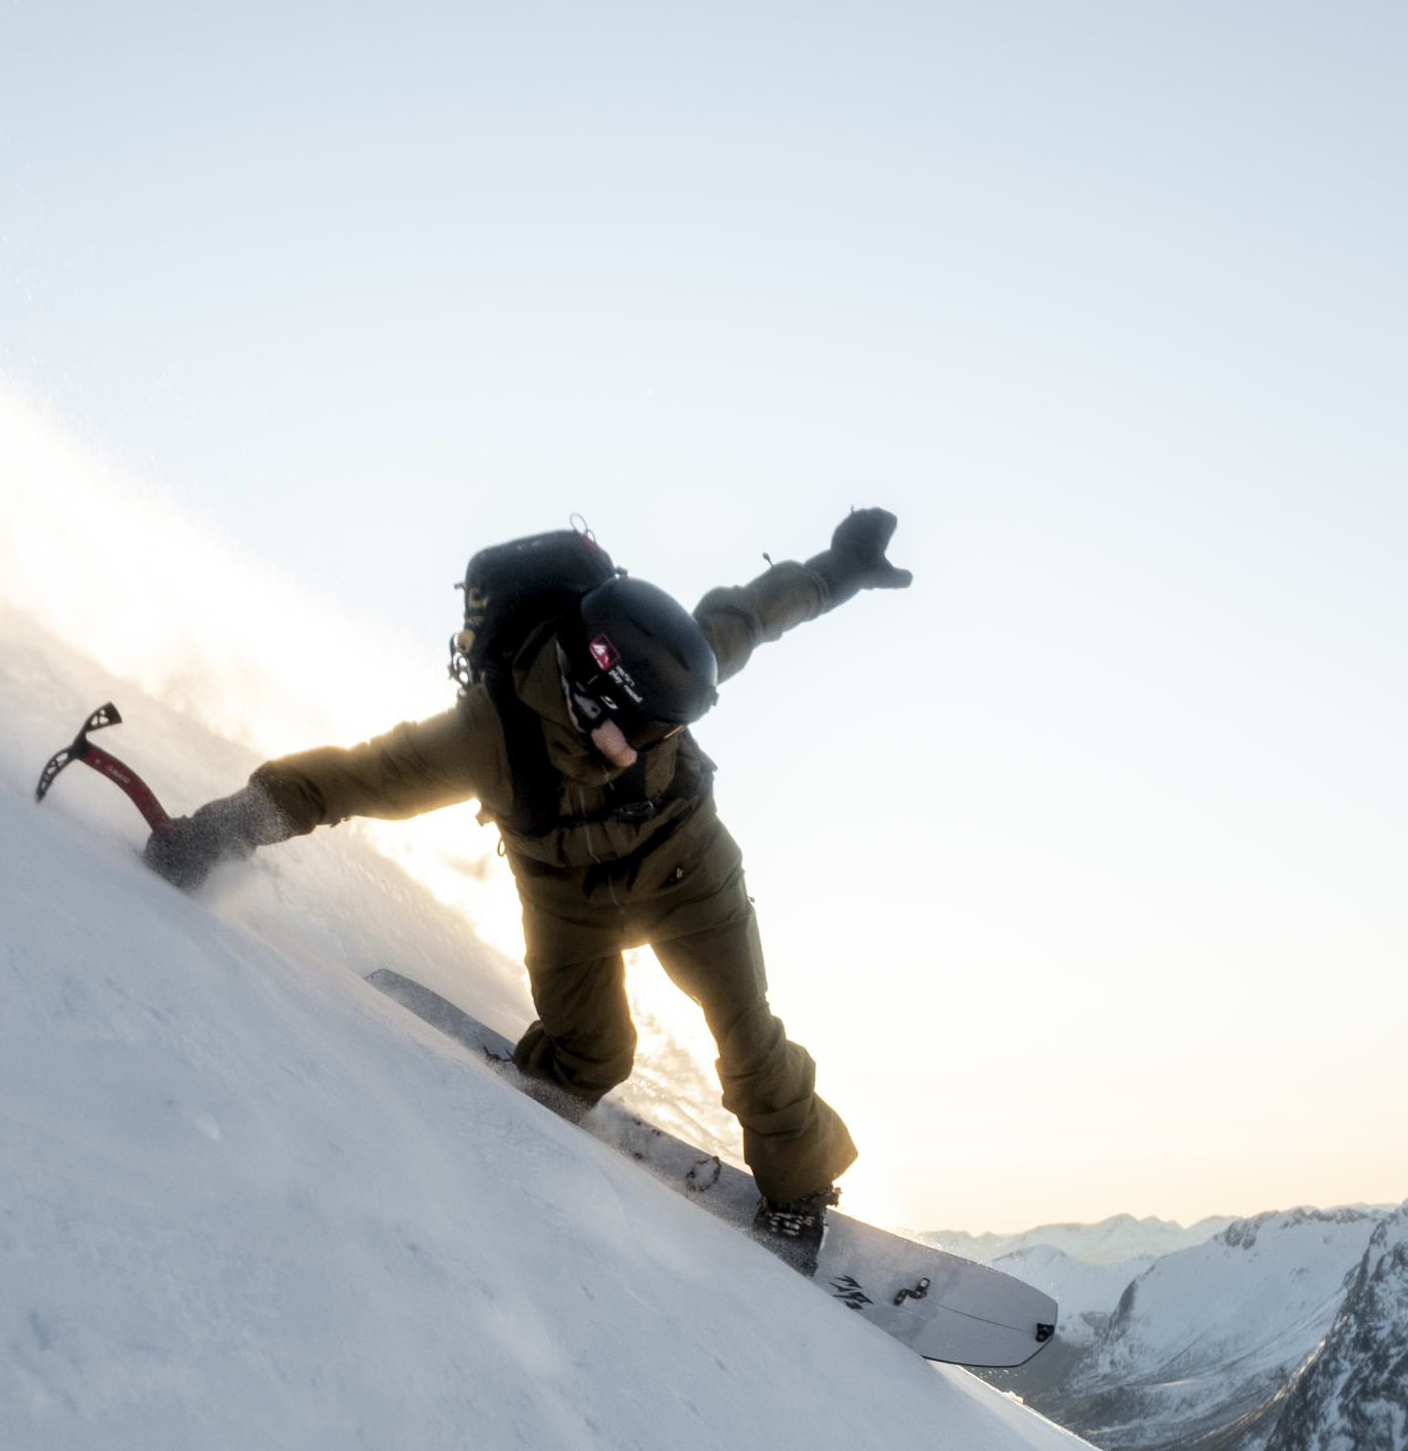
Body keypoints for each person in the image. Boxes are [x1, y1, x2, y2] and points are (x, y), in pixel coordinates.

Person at [143, 509, 914, 1259]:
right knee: (591, 1059)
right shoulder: (488, 737)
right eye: (648, 730)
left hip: (690, 875)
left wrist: (844, 563)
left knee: (747, 1034)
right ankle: (547, 1088)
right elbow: (347, 780)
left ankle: (800, 1188)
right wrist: (218, 830)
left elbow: (759, 609)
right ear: (590, 697)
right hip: (567, 900)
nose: (664, 741)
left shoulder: (669, 668)